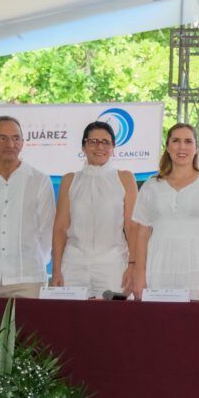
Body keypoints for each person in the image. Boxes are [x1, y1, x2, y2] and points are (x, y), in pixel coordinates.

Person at [130, 123, 199, 300]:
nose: (182, 147)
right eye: (176, 141)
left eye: (188, 141)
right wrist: (139, 273)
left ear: (196, 148)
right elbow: (142, 232)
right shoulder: (150, 185)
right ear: (168, 147)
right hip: (157, 266)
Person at [51, 121, 139, 297]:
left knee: (113, 321)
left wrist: (133, 265)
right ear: (84, 146)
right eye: (93, 141)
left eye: (105, 142)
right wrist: (56, 269)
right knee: (73, 321)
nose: (99, 147)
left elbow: (132, 227)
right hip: (73, 265)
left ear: (113, 147)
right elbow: (60, 229)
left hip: (113, 266)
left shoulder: (124, 178)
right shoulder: (70, 180)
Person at [0, 116, 55, 298]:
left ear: (22, 143)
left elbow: (48, 232)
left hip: (28, 280)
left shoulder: (40, 180)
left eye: (16, 138)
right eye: (2, 138)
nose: (10, 144)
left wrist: (31, 261)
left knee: (30, 327)